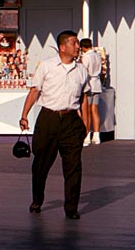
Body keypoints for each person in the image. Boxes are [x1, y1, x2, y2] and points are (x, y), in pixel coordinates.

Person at [19, 31, 88, 219]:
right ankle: (37, 200)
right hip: (48, 119)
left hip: (71, 121)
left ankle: (71, 208)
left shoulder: (81, 70)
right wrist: (24, 115)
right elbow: (35, 91)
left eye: (78, 43)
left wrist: (86, 124)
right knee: (41, 164)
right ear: (63, 47)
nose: (77, 47)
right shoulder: (47, 67)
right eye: (74, 43)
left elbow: (83, 98)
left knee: (73, 166)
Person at [79, 38, 103, 146]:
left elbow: (83, 71)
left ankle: (87, 136)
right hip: (97, 83)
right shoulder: (97, 55)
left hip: (89, 84)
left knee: (87, 111)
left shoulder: (86, 57)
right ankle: (97, 135)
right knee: (95, 110)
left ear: (83, 47)